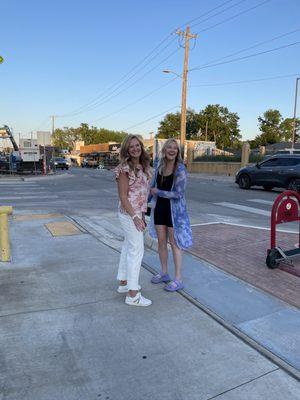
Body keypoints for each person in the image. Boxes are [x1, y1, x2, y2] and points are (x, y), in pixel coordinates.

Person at [148, 138, 192, 291]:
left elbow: (179, 194)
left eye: (175, 148)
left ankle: (178, 279)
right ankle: (164, 273)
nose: (172, 150)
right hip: (159, 209)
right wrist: (141, 205)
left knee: (174, 244)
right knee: (161, 243)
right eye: (169, 147)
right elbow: (151, 187)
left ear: (178, 152)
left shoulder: (180, 169)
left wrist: (158, 192)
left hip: (174, 213)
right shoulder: (159, 166)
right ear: (164, 150)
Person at [115, 135, 152, 306]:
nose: (135, 148)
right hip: (129, 214)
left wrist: (142, 214)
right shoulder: (124, 169)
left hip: (138, 213)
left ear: (141, 147)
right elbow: (123, 196)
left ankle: (123, 283)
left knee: (128, 245)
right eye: (131, 147)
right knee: (137, 250)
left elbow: (142, 195)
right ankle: (133, 294)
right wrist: (136, 217)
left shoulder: (143, 166)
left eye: (137, 145)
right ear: (126, 150)